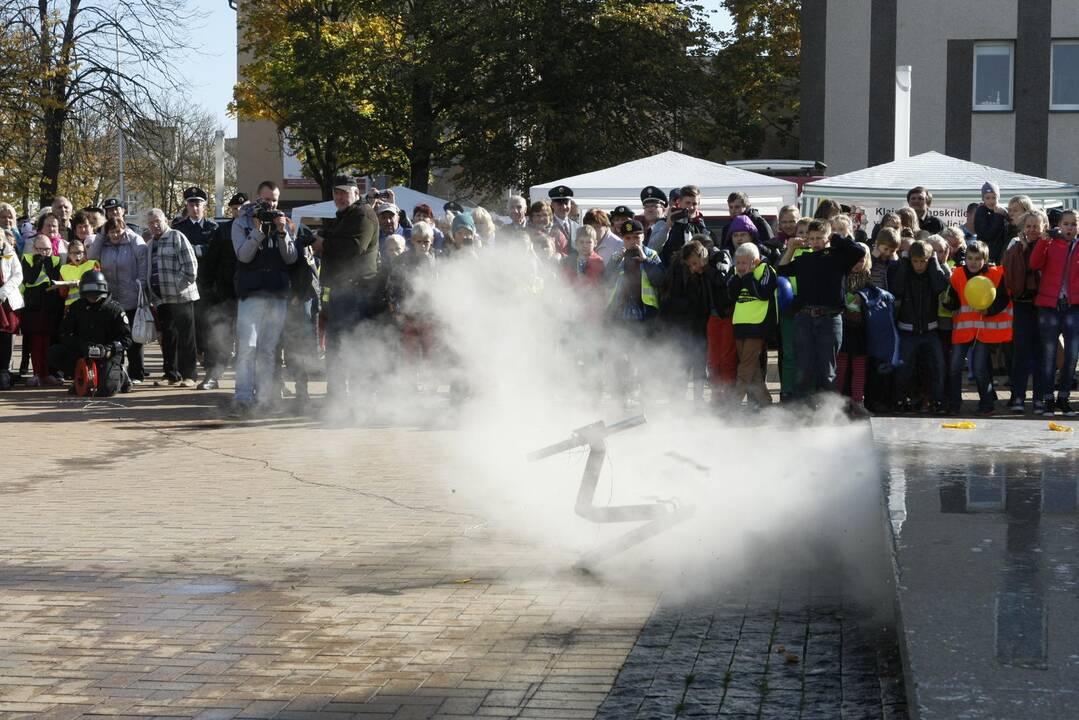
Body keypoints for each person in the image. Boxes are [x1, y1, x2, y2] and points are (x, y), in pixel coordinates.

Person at [777, 219, 869, 401]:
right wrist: (791, 249)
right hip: (804, 317)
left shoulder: (839, 257)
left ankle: (829, 414)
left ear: (828, 238)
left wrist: (837, 238)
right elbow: (782, 270)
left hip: (830, 318)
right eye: (811, 238)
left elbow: (859, 251)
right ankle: (802, 410)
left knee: (828, 370)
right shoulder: (804, 259)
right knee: (803, 367)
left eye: (820, 237)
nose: (815, 241)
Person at [229, 188, 297, 415]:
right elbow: (243, 256)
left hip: (276, 295)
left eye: (274, 201)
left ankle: (265, 397)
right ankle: (243, 396)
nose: (270, 205)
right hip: (251, 294)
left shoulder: (284, 222)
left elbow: (291, 257)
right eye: (266, 200)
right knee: (248, 348)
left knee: (268, 350)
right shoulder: (242, 222)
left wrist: (281, 232)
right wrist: (257, 232)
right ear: (258, 197)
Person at [316, 175, 380, 405]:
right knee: (337, 347)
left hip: (356, 292)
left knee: (353, 348)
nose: (340, 197)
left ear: (356, 193)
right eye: (336, 193)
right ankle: (338, 399)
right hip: (340, 292)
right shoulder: (345, 216)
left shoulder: (363, 214)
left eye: (345, 192)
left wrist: (323, 243)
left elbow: (354, 247)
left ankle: (359, 400)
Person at [944, 240, 1012, 415]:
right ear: (965, 258)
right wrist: (949, 303)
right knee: (954, 366)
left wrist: (990, 310)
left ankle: (987, 404)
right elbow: (952, 300)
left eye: (977, 258)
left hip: (984, 331)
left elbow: (1003, 298)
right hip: (963, 330)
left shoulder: (995, 274)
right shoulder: (957, 275)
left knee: (979, 367)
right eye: (970, 258)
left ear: (985, 259)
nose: (973, 262)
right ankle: (954, 404)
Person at [48, 270, 132, 396]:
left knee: (106, 390)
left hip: (107, 355)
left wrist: (108, 349)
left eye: (95, 295)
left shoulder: (115, 310)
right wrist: (83, 346)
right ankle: (78, 377)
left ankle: (121, 375)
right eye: (89, 295)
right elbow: (64, 334)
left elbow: (127, 338)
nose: (92, 298)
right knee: (55, 352)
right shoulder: (76, 308)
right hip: (83, 352)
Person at [889, 240, 949, 414]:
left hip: (930, 330)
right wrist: (904, 262)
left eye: (923, 261)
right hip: (907, 330)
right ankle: (900, 400)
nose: (919, 265)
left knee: (938, 366)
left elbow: (940, 287)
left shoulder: (932, 274)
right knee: (904, 369)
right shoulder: (905, 273)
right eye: (915, 261)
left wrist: (935, 262)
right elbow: (896, 288)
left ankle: (936, 400)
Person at [1029, 209, 1079, 417]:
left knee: (1071, 356)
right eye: (1066, 223)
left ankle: (1064, 398)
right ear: (1059, 225)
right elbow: (1034, 264)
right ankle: (1048, 398)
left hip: (1073, 307)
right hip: (1049, 306)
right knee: (1049, 356)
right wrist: (1043, 241)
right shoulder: (1050, 243)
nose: (1070, 227)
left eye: (1074, 224)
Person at [89, 217, 148, 383]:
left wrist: (140, 286)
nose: (115, 234)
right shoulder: (104, 245)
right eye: (111, 231)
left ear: (124, 230)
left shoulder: (133, 242)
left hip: (131, 295)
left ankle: (137, 373)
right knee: (114, 336)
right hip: (111, 299)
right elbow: (91, 256)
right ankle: (117, 372)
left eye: (118, 231)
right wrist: (100, 235)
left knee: (133, 337)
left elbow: (143, 264)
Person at [195, 192, 245, 390]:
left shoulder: (258, 229)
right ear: (231, 210)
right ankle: (213, 375)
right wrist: (207, 288)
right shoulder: (223, 231)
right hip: (226, 293)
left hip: (252, 293)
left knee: (252, 341)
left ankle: (264, 381)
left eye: (243, 208)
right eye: (235, 208)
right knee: (220, 336)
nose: (239, 211)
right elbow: (210, 262)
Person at [145, 208, 200, 388]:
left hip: (181, 297)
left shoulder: (177, 236)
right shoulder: (151, 243)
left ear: (165, 220)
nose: (155, 225)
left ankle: (189, 375)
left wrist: (177, 286)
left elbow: (191, 267)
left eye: (157, 221)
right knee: (168, 338)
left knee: (186, 338)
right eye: (151, 223)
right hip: (162, 299)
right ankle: (170, 374)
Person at [1003, 209, 1048, 414]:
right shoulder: (1014, 245)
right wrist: (1021, 250)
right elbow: (1011, 275)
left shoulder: (1048, 244)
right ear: (1023, 227)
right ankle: (1018, 396)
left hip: (1042, 304)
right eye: (1028, 226)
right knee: (1020, 352)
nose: (1032, 230)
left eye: (1036, 227)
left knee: (1041, 353)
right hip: (1021, 303)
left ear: (1043, 228)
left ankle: (1038, 398)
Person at [659, 239, 711, 403]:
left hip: (699, 321)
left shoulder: (705, 267)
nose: (694, 267)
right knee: (683, 363)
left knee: (698, 362)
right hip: (682, 322)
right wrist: (690, 303)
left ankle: (697, 399)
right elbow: (669, 299)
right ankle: (678, 400)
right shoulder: (676, 270)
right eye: (691, 263)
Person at [727, 242, 777, 408]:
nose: (740, 266)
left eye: (743, 263)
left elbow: (763, 294)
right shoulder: (736, 274)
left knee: (745, 368)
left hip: (758, 325)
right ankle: (767, 404)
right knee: (752, 370)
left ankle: (732, 405)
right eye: (738, 262)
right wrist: (739, 278)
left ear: (755, 262)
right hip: (740, 325)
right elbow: (732, 295)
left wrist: (748, 277)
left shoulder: (766, 270)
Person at [19, 233, 64, 385]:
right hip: (33, 308)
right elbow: (30, 278)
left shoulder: (56, 260)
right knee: (36, 344)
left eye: (47, 249)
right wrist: (39, 261)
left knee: (49, 342)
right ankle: (38, 374)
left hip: (51, 307)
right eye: (40, 249)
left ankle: (48, 374)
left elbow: (53, 278)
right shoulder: (27, 259)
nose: (44, 252)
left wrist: (46, 260)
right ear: (33, 248)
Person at [660, 185, 708, 266]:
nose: (691, 207)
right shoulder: (666, 222)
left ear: (699, 203)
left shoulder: (700, 224)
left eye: (694, 203)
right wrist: (668, 225)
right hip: (672, 272)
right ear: (679, 202)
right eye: (687, 203)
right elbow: (655, 247)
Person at [0, 231, 23, 389]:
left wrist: (2, 292)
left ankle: (4, 371)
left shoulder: (10, 254)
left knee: (6, 338)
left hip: (6, 300)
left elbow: (18, 275)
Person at [974, 182, 1010, 264]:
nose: (991, 201)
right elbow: (987, 234)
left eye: (994, 197)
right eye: (987, 198)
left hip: (1001, 252)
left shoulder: (1003, 211)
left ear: (998, 198)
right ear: (983, 199)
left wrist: (1004, 214)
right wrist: (998, 216)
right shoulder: (981, 211)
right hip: (987, 255)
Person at [57, 237, 99, 307]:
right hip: (71, 306)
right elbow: (63, 294)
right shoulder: (64, 269)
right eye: (73, 253)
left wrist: (79, 283)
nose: (77, 256)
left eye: (80, 252)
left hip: (89, 305)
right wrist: (67, 286)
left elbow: (97, 286)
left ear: (84, 253)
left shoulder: (92, 264)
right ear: (69, 255)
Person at [548, 185, 579, 250]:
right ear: (552, 205)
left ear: (570, 204)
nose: (564, 207)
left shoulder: (577, 227)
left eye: (566, 203)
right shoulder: (548, 226)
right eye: (559, 204)